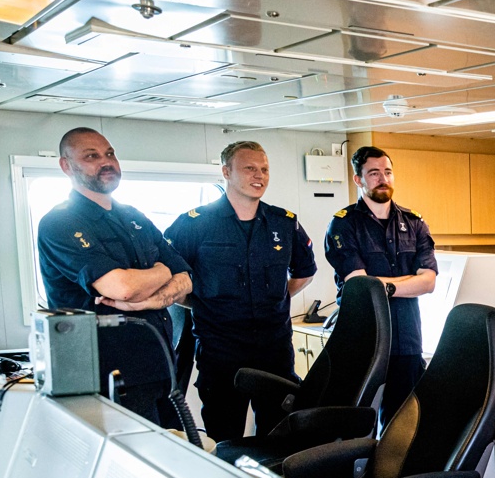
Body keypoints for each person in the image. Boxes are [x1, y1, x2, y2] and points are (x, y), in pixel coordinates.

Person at [37, 127, 192, 426]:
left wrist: (149, 297)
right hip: (109, 377)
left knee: (176, 458)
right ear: (66, 166)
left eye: (110, 154)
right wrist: (162, 271)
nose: (106, 161)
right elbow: (121, 288)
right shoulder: (60, 222)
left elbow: (185, 279)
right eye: (92, 156)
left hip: (161, 369)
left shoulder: (134, 216)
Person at [164, 141, 316, 441]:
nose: (258, 175)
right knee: (225, 436)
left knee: (278, 437)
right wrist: (204, 303)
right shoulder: (194, 224)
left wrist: (273, 300)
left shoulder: (283, 223)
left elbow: (305, 273)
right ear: (226, 172)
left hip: (274, 351)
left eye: (264, 169)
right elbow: (171, 282)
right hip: (221, 352)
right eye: (249, 168)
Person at [324, 146, 437, 429]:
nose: (382, 178)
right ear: (358, 180)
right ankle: (357, 473)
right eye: (373, 173)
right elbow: (359, 285)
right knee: (357, 419)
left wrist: (382, 287)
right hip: (365, 339)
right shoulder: (343, 224)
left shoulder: (414, 223)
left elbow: (429, 281)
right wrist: (406, 283)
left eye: (387, 172)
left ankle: (391, 473)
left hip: (407, 337)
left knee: (402, 421)